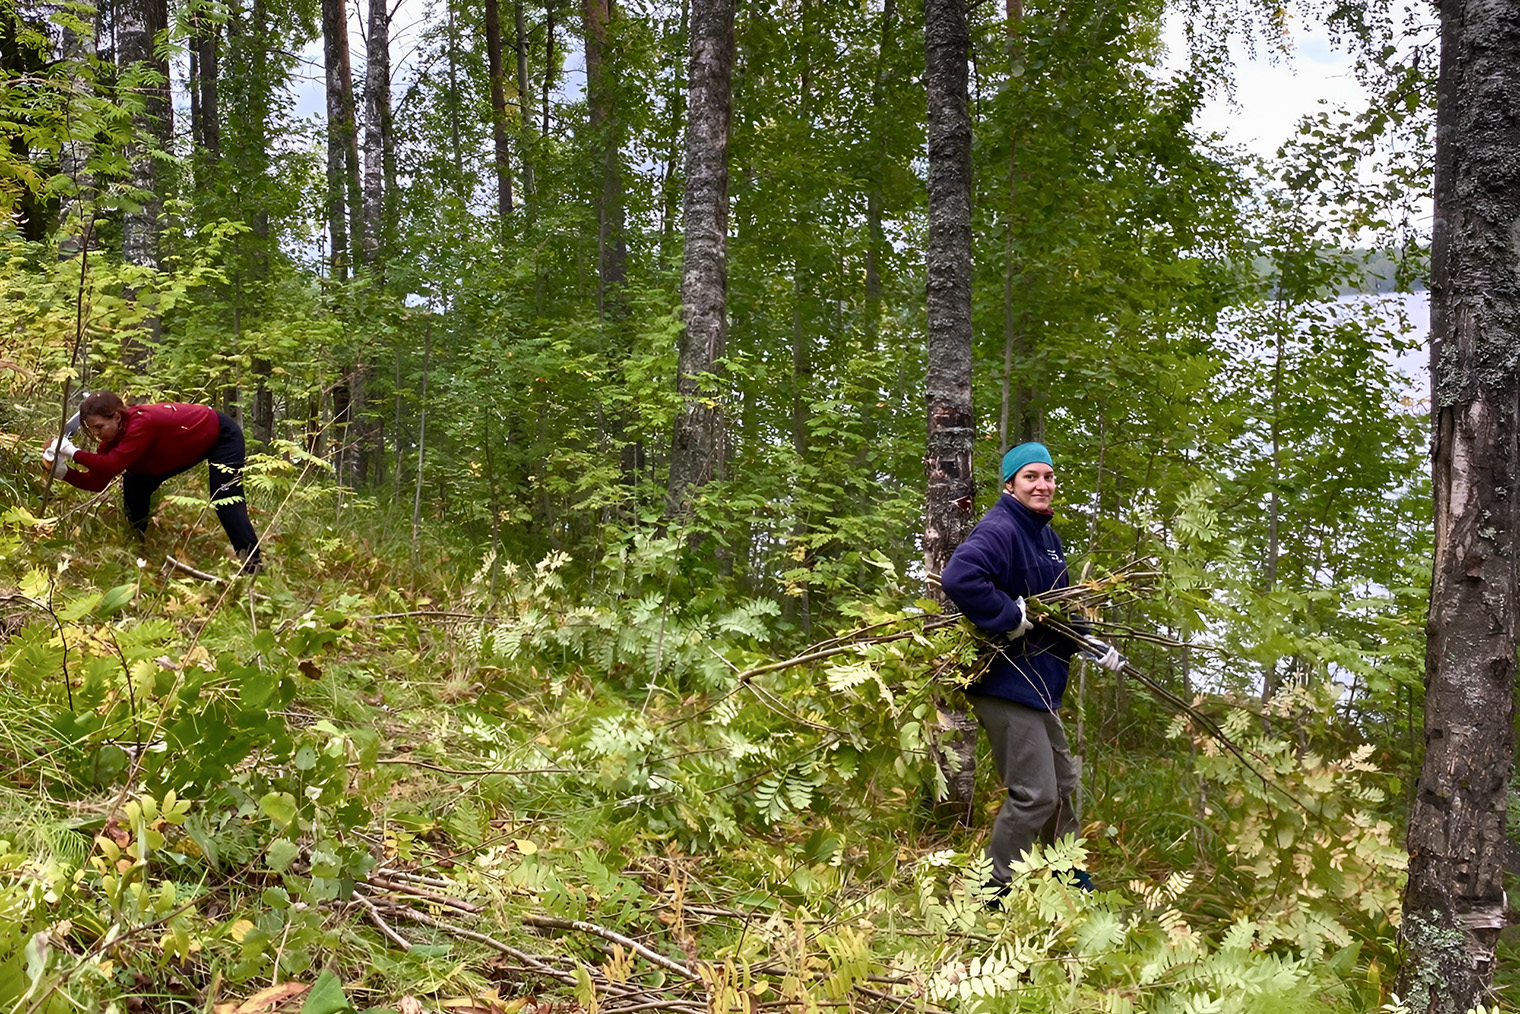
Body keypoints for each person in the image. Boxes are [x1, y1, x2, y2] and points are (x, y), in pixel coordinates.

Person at [940, 441, 1122, 896]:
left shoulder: (1046, 537)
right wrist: (1008, 616)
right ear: (1010, 484)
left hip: (1039, 681)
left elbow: (1054, 607)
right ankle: (989, 894)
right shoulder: (1001, 527)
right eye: (1031, 477)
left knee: (1061, 787)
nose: (1043, 485)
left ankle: (1068, 876)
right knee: (1034, 794)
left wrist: (1088, 641)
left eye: (1048, 476)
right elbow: (960, 577)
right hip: (1005, 681)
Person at [43, 392, 262, 573]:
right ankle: (136, 548)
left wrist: (72, 451)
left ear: (117, 417)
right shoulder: (113, 438)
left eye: (99, 427)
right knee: (135, 482)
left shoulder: (141, 422)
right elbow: (99, 480)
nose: (96, 434)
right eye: (91, 429)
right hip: (180, 448)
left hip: (220, 435)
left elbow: (111, 465)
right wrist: (64, 473)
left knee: (225, 497)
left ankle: (252, 565)